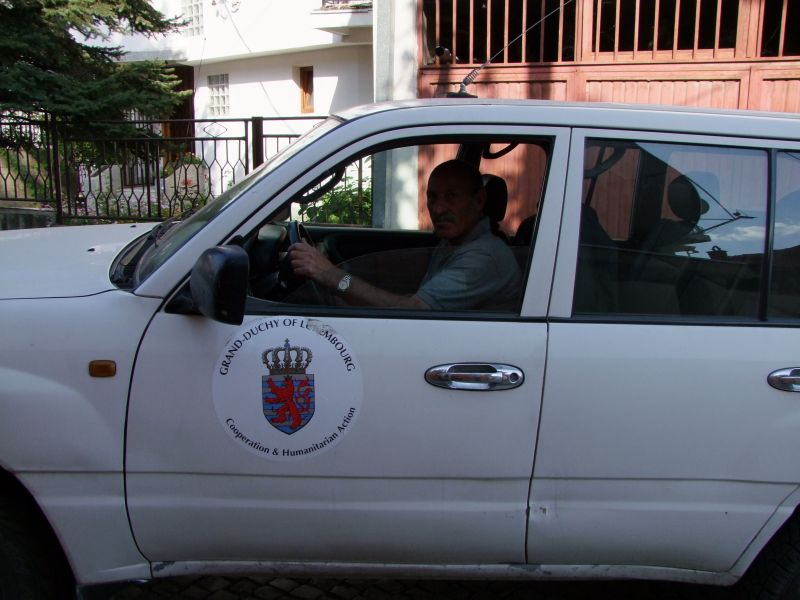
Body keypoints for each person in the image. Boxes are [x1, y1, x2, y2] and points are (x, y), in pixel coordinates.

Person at [288, 159, 523, 311]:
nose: (438, 209)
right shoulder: (455, 241)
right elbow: (403, 284)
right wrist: (338, 286)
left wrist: (330, 274)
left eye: (451, 196)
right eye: (433, 197)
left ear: (479, 200)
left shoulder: (484, 258)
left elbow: (415, 309)